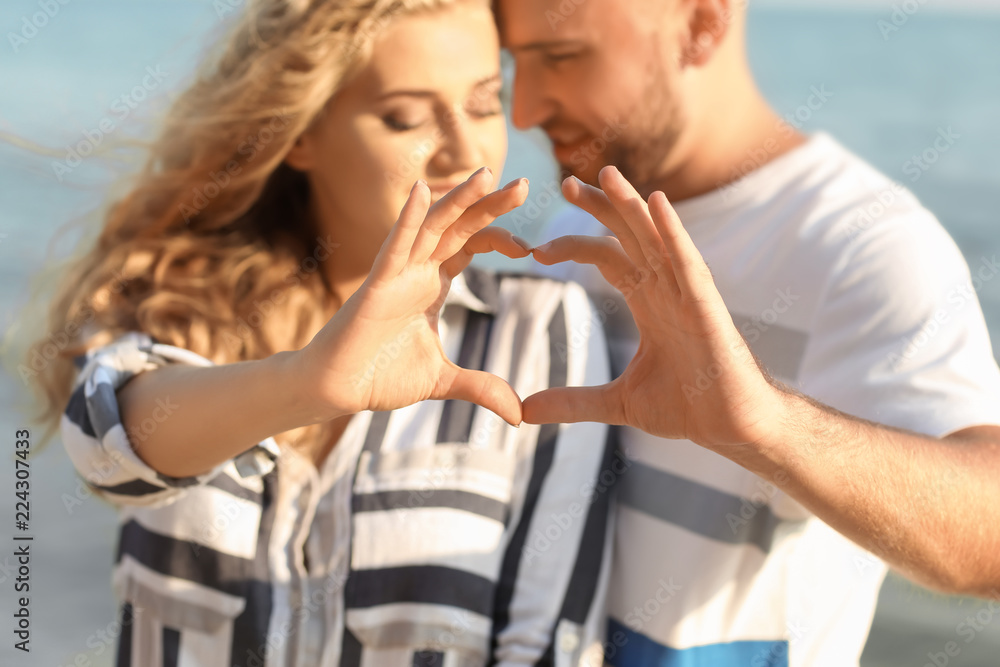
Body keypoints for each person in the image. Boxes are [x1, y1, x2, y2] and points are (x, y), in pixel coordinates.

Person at [25, 0, 615, 665]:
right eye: (407, 117)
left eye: (484, 103)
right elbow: (103, 447)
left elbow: (550, 647)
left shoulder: (541, 330)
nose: (465, 151)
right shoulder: (181, 299)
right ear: (300, 132)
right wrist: (303, 383)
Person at [495, 0, 1000, 665]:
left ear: (703, 23)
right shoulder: (578, 232)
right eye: (514, 62)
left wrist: (769, 427)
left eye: (561, 57)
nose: (523, 108)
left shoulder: (864, 245)